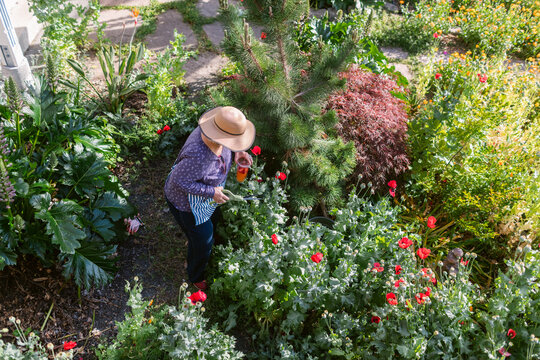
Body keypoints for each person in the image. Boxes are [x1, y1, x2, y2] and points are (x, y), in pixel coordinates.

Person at [164, 106, 255, 291]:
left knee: (209, 224)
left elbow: (227, 145)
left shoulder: (215, 132)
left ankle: (193, 240)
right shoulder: (198, 156)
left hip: (207, 197)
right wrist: (211, 192)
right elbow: (179, 181)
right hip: (186, 203)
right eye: (234, 142)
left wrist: (237, 152)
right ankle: (195, 273)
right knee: (203, 241)